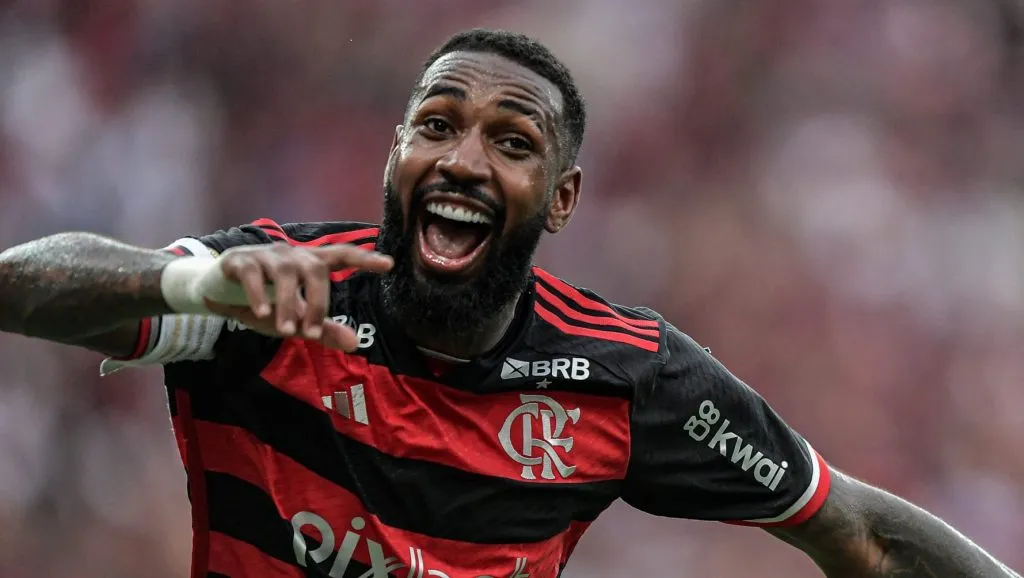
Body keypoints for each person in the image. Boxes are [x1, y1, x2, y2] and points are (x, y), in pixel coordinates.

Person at [0, 28, 1017, 578]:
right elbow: (23, 283)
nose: (463, 158)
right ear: (395, 154)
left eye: (512, 141)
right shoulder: (269, 292)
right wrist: (188, 284)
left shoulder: (627, 377)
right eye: (435, 124)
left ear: (562, 199)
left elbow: (858, 531)